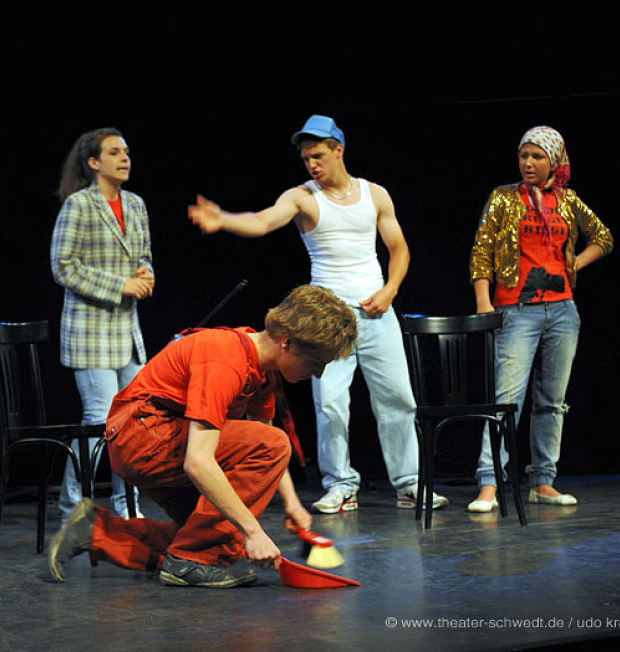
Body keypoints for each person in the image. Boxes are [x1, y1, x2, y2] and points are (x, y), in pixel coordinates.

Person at [187, 115, 446, 513]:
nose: (312, 164)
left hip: (376, 312)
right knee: (330, 403)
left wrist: (390, 290)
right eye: (306, 158)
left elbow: (399, 248)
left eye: (319, 155)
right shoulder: (302, 197)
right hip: (326, 319)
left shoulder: (374, 194)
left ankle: (409, 483)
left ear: (339, 149)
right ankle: (341, 484)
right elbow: (262, 221)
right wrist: (223, 219)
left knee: (398, 398)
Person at [49, 284, 357, 587]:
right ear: (287, 342)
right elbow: (199, 461)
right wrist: (254, 531)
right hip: (141, 440)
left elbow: (265, 435)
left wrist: (292, 503)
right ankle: (187, 561)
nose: (317, 374)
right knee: (222, 533)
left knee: (217, 541)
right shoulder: (225, 358)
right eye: (315, 363)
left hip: (160, 440)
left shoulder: (262, 371)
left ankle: (95, 532)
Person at [467, 125, 613, 513]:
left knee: (552, 401)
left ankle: (542, 481)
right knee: (505, 401)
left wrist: (574, 267)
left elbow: (603, 236)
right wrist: (484, 301)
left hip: (563, 311)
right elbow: (481, 252)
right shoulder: (503, 198)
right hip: (516, 311)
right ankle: (488, 484)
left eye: (536, 156)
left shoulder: (568, 201)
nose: (528, 163)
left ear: (554, 161)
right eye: (523, 155)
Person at [51, 127, 152, 522]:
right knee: (98, 421)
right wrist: (120, 284)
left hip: (127, 333)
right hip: (90, 333)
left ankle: (129, 508)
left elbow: (143, 254)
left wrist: (145, 274)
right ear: (94, 162)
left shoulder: (136, 205)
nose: (124, 158)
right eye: (114, 152)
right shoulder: (78, 205)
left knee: (135, 422)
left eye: (126, 151)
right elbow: (63, 267)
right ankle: (73, 508)